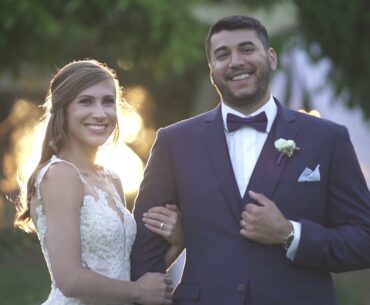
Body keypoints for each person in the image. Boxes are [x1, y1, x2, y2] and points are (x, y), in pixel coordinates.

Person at [130, 15, 370, 305]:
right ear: (211, 70)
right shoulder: (174, 142)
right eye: (222, 54)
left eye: (246, 49)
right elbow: (143, 253)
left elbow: (363, 240)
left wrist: (291, 234)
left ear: (271, 57)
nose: (235, 61)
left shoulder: (327, 139)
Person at [14, 59, 184, 305]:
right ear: (63, 108)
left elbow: (124, 274)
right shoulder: (60, 175)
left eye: (108, 101)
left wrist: (177, 244)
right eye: (86, 101)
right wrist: (137, 292)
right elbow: (70, 280)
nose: (100, 113)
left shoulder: (111, 178)